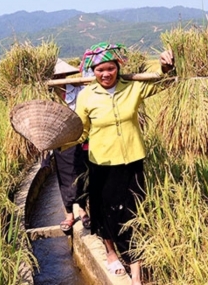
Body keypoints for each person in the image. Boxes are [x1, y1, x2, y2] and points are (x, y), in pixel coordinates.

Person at [73, 42, 174, 285]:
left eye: (109, 68)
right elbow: (81, 131)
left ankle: (136, 273)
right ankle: (110, 253)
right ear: (93, 72)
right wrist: (61, 139)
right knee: (105, 211)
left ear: (118, 68)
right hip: (102, 163)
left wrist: (166, 67)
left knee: (134, 211)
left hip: (133, 161)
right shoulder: (87, 96)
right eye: (99, 70)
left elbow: (165, 82)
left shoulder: (134, 88)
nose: (105, 74)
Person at [53, 61, 94, 232]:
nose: (58, 79)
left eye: (61, 76)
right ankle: (69, 214)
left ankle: (84, 211)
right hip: (59, 142)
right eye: (55, 77)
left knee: (83, 174)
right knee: (64, 178)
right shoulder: (46, 93)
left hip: (80, 138)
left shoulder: (77, 89)